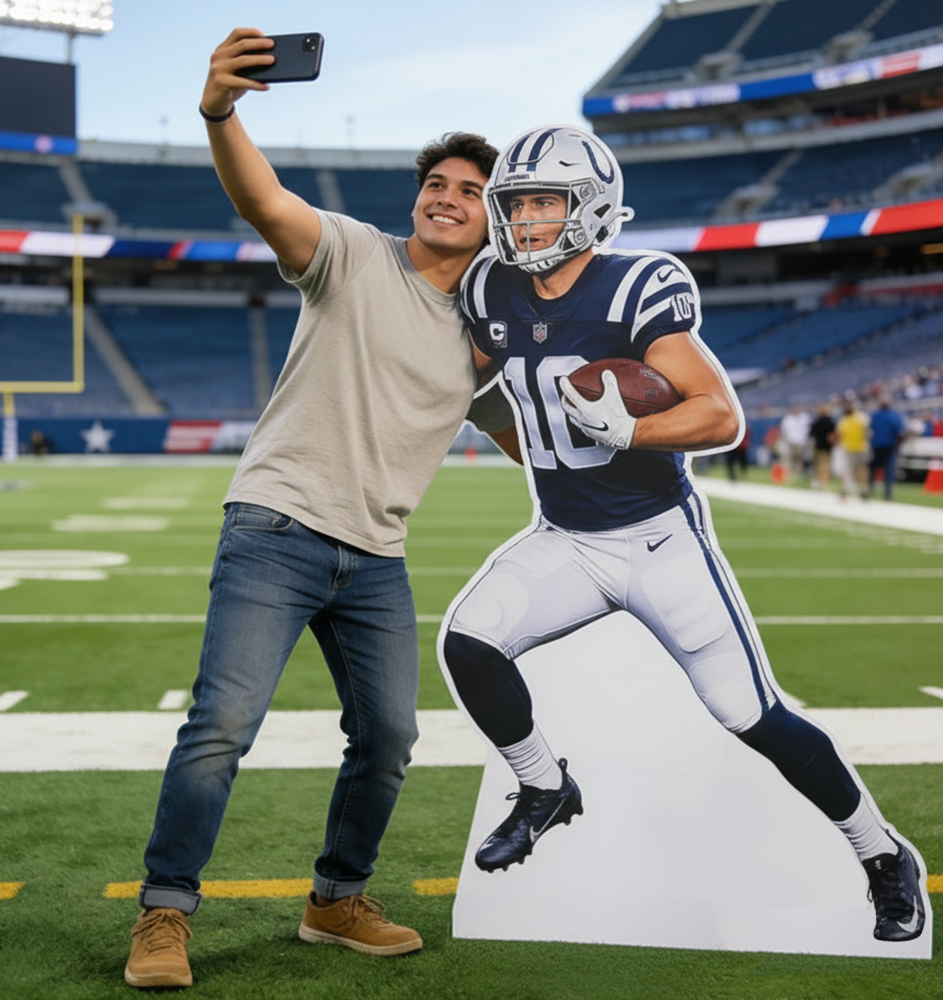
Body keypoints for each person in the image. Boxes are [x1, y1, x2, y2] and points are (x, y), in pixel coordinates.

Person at [440, 124, 925, 944]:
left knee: (749, 713)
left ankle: (881, 856)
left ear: (590, 210)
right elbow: (491, 380)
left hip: (658, 538)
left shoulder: (636, 287)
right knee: (469, 641)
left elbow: (720, 414)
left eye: (543, 204)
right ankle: (544, 786)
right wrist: (505, 427)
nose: (523, 221)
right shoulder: (490, 288)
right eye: (515, 204)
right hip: (565, 535)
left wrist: (628, 434)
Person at [123, 28, 506, 990]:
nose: (447, 197)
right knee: (221, 726)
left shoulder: (489, 337)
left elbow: (535, 428)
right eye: (438, 183)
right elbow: (262, 198)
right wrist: (220, 109)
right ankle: (165, 915)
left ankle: (336, 899)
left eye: (470, 191)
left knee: (389, 739)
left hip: (376, 555)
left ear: (494, 222)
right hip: (278, 529)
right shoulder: (350, 254)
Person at [868, 396, 906, 500]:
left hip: (878, 446)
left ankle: (871, 490)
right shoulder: (893, 416)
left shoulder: (876, 415)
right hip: (888, 446)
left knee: (874, 469)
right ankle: (887, 494)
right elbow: (901, 433)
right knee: (888, 471)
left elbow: (870, 430)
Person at [835, 396, 870, 499]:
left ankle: (863, 490)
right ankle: (845, 490)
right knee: (848, 471)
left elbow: (866, 433)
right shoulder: (843, 421)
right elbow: (840, 436)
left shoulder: (861, 418)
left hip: (860, 448)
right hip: (849, 449)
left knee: (861, 471)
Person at [778, 404, 811, 480]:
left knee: (798, 459)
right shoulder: (788, 419)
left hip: (801, 442)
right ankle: (790, 475)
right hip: (790, 442)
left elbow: (808, 430)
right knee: (790, 459)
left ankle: (797, 475)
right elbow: (783, 430)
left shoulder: (804, 418)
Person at [809, 403, 836, 490]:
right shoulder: (830, 422)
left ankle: (821, 481)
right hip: (826, 447)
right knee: (824, 465)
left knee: (820, 465)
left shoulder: (818, 422)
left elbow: (811, 434)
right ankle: (824, 482)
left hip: (820, 446)